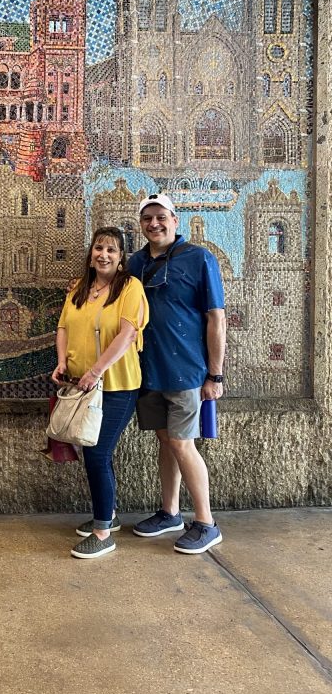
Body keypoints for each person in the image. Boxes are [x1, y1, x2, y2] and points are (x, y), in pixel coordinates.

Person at [127, 194, 226, 554]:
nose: (154, 224)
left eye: (161, 217)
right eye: (147, 219)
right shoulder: (135, 263)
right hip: (148, 370)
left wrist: (215, 375)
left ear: (175, 220)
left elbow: (216, 318)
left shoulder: (200, 258)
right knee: (166, 443)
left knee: (183, 444)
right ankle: (170, 512)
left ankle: (206, 522)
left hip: (187, 371)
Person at [52, 227, 148, 560]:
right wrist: (62, 361)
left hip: (118, 385)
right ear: (90, 253)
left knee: (96, 452)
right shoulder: (79, 288)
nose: (103, 255)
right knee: (93, 451)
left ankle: (103, 531)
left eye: (112, 250)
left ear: (122, 258)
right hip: (81, 385)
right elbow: (64, 326)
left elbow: (126, 334)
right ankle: (107, 514)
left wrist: (96, 371)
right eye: (98, 248)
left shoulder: (130, 288)